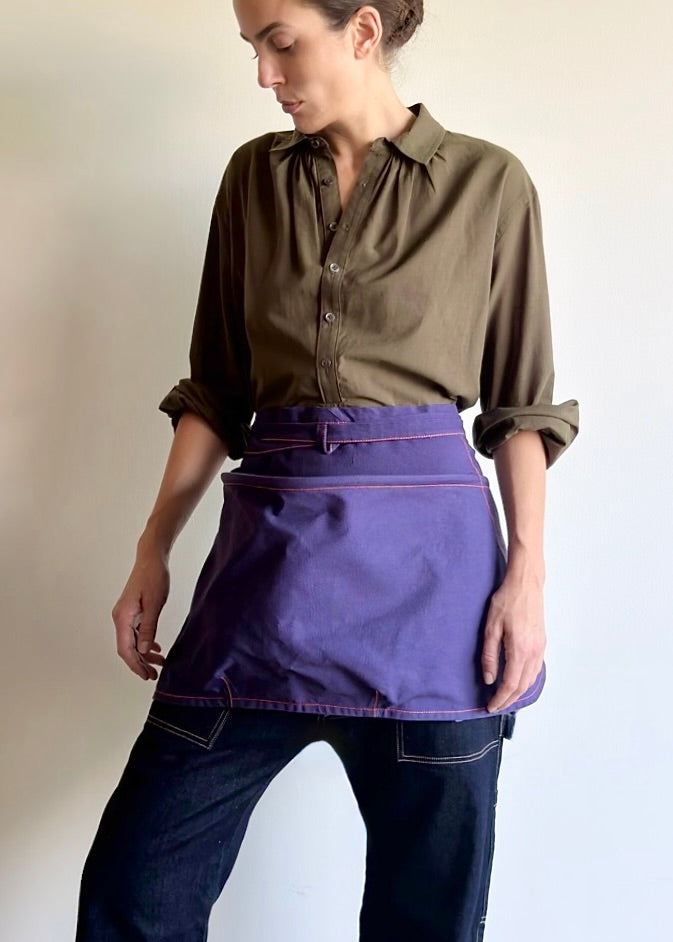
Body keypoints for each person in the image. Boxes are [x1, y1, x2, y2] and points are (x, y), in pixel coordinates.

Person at [75, 1, 579, 940]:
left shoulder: (487, 184)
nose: (264, 75)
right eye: (251, 48)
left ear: (363, 30)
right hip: (261, 584)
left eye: (280, 43)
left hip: (434, 606)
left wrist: (527, 578)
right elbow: (218, 391)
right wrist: (153, 550)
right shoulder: (251, 182)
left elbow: (520, 406)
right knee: (133, 897)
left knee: (426, 920)